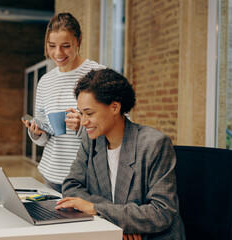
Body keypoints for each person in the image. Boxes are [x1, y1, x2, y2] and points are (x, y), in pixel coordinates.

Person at [56, 69, 186, 240]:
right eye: (81, 113)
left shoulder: (154, 144)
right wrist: (120, 221)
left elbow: (161, 212)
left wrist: (96, 208)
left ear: (114, 107)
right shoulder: (91, 141)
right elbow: (71, 186)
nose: (83, 121)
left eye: (89, 113)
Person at [22, 12, 104, 192]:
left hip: (86, 178)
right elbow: (44, 138)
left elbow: (120, 125)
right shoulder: (45, 81)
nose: (58, 53)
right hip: (51, 175)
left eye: (66, 46)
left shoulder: (99, 75)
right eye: (52, 46)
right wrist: (37, 133)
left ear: (79, 41)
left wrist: (83, 124)